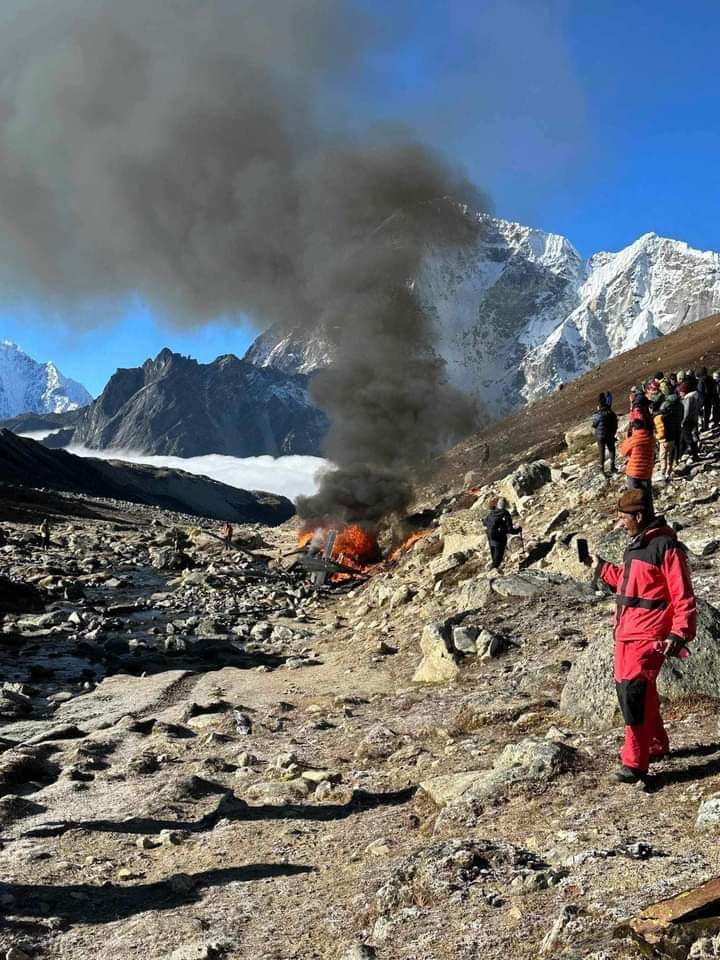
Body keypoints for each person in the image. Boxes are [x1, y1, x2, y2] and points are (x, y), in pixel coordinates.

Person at [583, 489, 696, 783]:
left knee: (633, 694)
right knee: (639, 692)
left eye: (623, 517)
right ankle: (656, 745)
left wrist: (679, 632)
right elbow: (628, 582)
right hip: (626, 633)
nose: (620, 523)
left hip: (649, 634)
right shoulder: (636, 546)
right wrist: (601, 568)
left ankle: (634, 763)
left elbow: (682, 594)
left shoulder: (666, 547)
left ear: (638, 516)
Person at [620, 415, 655, 513]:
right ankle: (650, 514)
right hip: (646, 471)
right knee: (647, 496)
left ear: (634, 428)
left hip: (633, 472)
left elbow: (623, 452)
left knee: (635, 497)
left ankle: (638, 516)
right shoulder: (650, 437)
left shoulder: (634, 439)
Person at [484, 497, 521, 570]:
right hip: (499, 538)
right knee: (498, 559)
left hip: (490, 537)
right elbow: (510, 530)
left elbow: (485, 522)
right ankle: (493, 573)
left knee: (494, 557)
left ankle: (493, 569)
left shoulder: (492, 512)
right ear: (506, 505)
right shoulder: (505, 513)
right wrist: (518, 530)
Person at [591, 393, 618, 475]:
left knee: (601, 452)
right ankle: (612, 466)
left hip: (600, 436)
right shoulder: (611, 413)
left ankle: (602, 469)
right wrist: (613, 433)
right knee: (612, 450)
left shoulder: (597, 414)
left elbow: (594, 424)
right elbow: (615, 425)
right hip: (609, 435)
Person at [678, 381, 700, 461]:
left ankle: (695, 455)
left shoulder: (688, 399)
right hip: (692, 420)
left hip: (687, 422)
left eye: (681, 392)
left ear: (684, 392)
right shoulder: (693, 397)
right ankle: (680, 455)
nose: (680, 394)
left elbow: (686, 412)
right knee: (683, 439)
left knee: (687, 439)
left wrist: (682, 421)